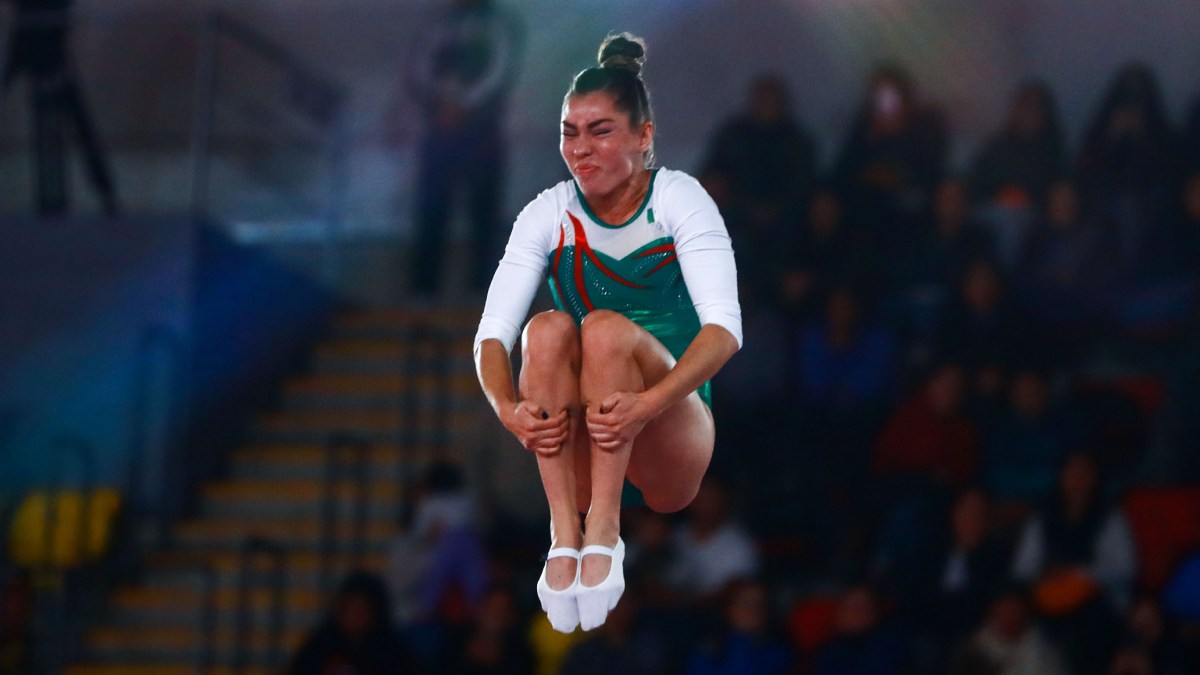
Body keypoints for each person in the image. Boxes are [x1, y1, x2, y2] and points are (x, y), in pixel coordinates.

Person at [473, 33, 742, 634]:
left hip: (671, 431)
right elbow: (492, 335)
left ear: (644, 136)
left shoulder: (678, 199)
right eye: (570, 132)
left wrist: (648, 404)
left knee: (603, 330)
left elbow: (725, 331)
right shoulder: (548, 212)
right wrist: (507, 409)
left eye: (600, 131)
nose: (580, 148)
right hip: (590, 448)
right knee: (544, 330)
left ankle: (606, 527)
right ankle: (564, 530)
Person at [406, 0, 522, 295]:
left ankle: (483, 288)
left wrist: (465, 104)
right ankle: (424, 287)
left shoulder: (499, 25)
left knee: (483, 210)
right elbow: (419, 68)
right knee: (432, 208)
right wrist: (439, 104)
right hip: (440, 128)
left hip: (481, 130)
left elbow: (501, 70)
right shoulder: (438, 25)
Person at [1, 0, 118, 215]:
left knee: (78, 122)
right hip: (34, 37)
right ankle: (108, 199)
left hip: (45, 40)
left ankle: (107, 199)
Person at [286, 570, 422, 675]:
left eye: (360, 610)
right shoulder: (321, 645)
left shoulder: (392, 652)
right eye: (348, 608)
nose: (353, 616)